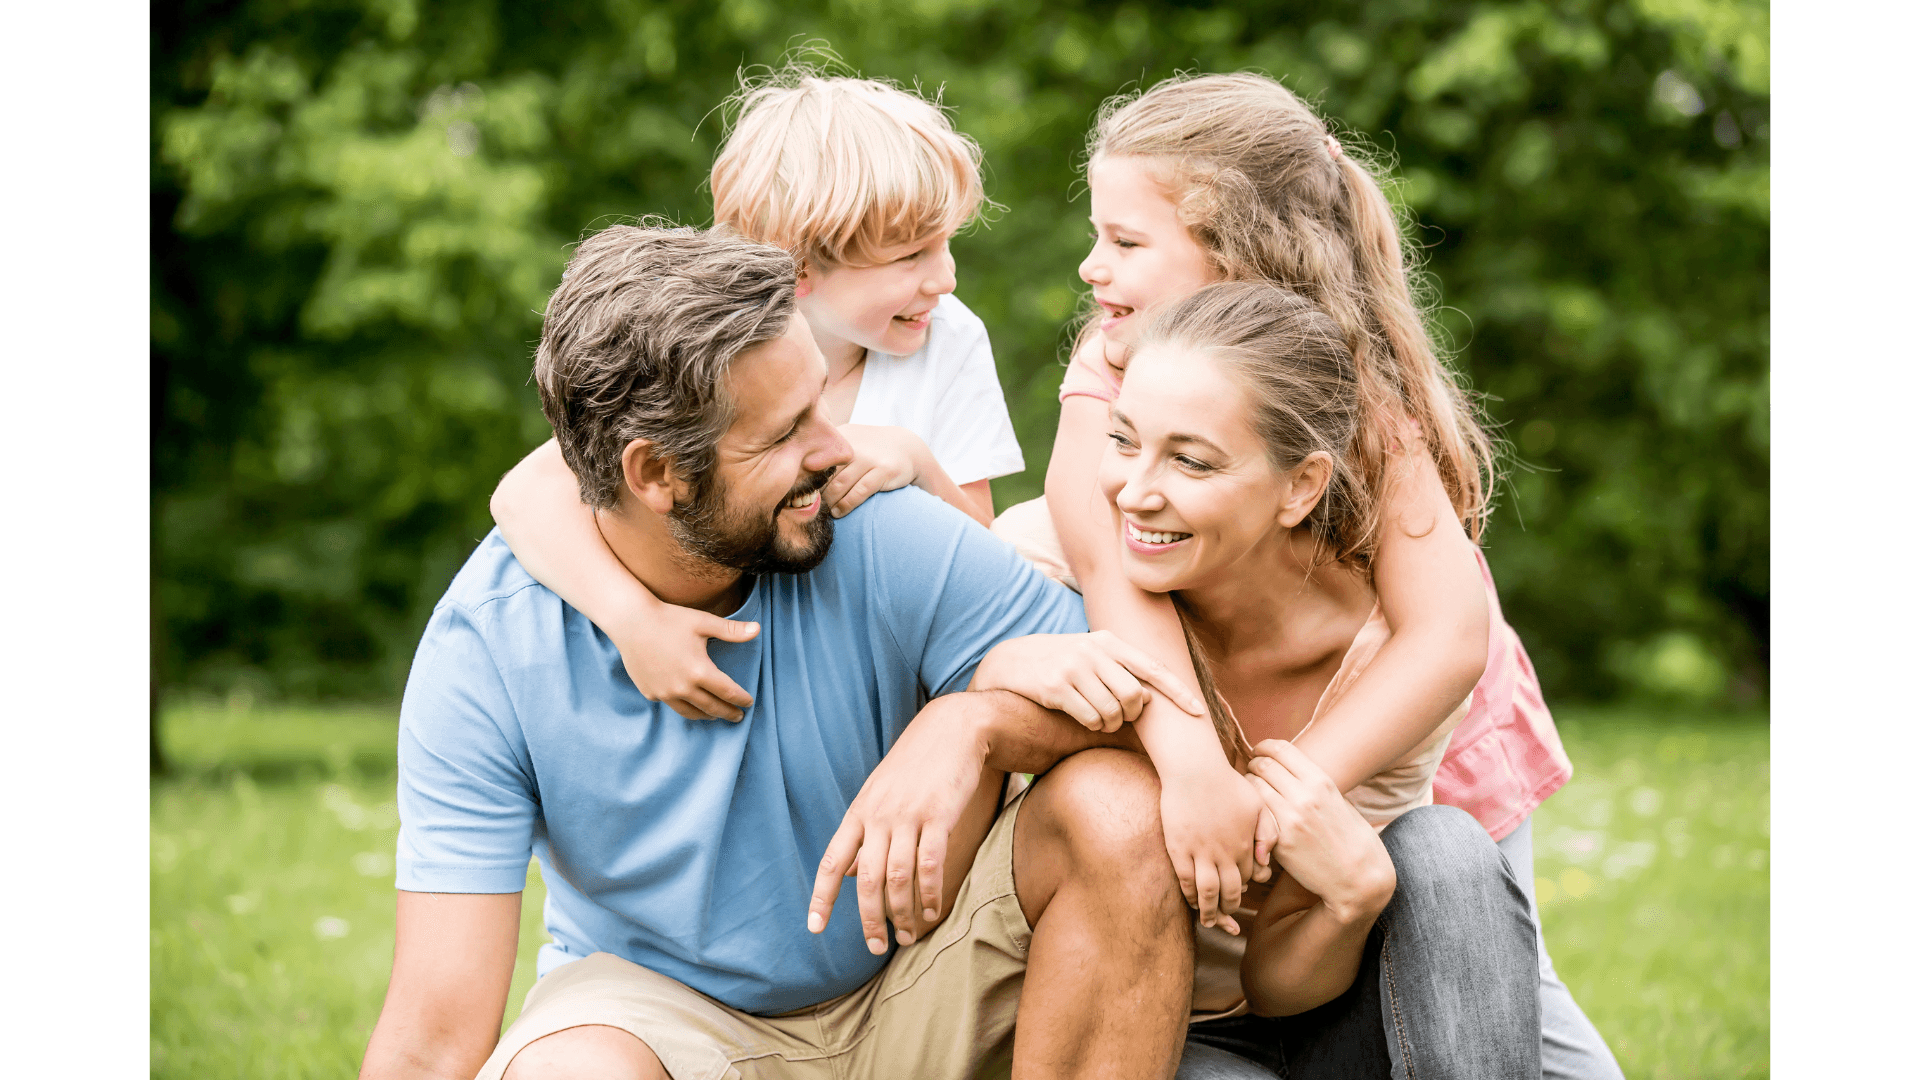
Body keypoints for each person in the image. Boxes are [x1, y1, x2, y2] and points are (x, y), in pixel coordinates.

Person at [357, 224, 1206, 1080]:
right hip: (665, 1020)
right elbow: (434, 1039)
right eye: (783, 432)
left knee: (1117, 808)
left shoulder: (872, 521)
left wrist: (972, 724)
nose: (837, 447)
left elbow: (1159, 708)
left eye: (821, 404)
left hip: (922, 985)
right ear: (655, 475)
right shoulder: (491, 647)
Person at [991, 73, 1618, 1078]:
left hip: (1414, 719)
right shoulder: (1120, 363)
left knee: (1506, 1000)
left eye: (1126, 240)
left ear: (1232, 251)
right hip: (1237, 705)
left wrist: (1285, 795)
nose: (1093, 265)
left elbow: (1449, 637)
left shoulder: (1357, 379)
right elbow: (1108, 558)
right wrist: (1199, 770)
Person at [488, 68, 1046, 731]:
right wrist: (633, 622)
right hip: (742, 674)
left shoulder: (946, 340)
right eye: (912, 256)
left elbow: (980, 561)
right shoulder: (713, 343)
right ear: (800, 268)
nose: (946, 277)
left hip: (886, 695)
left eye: (948, 244)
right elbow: (523, 496)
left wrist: (918, 462)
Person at [1079, 281, 1539, 1078]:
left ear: (1300, 487)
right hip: (1166, 1034)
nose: (1135, 491)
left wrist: (1351, 900)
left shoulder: (1391, 661)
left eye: (1189, 459)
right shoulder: (1064, 580)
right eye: (1123, 440)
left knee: (1447, 850)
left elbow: (1277, 983)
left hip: (1333, 1013)